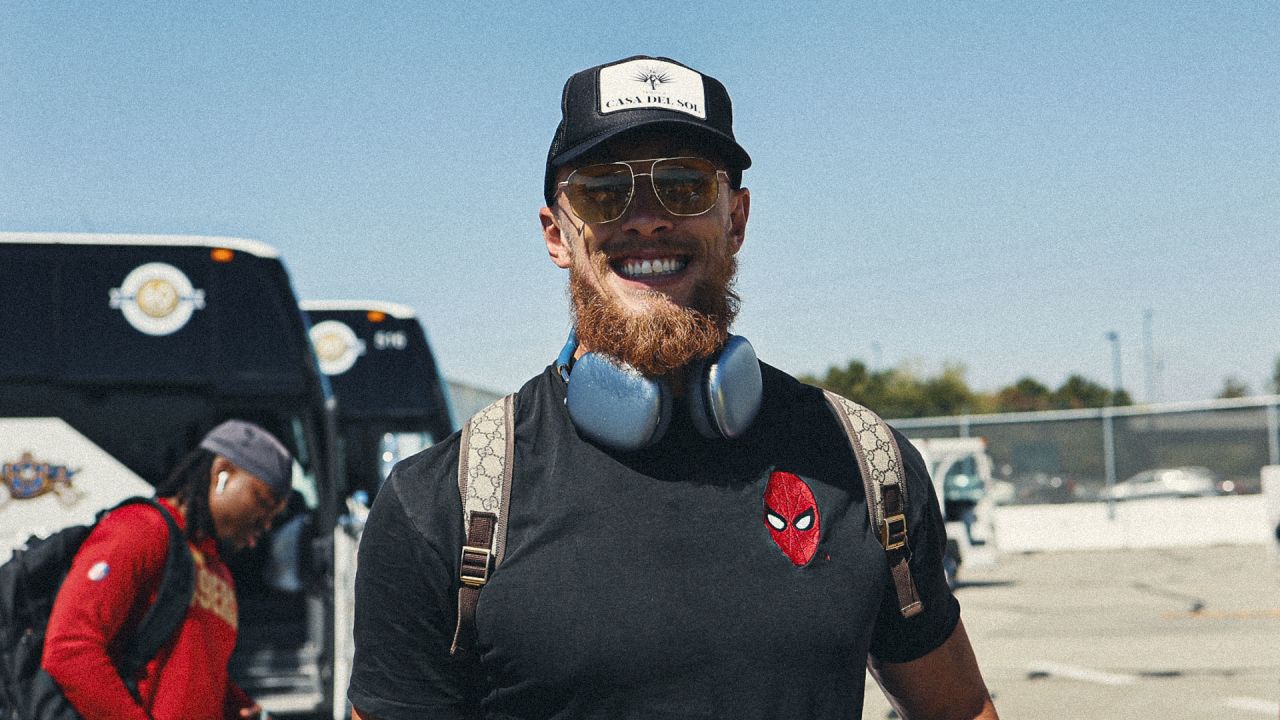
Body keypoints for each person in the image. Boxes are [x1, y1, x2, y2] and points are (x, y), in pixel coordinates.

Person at [349, 55, 999, 719]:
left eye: (684, 186)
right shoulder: (446, 507)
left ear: (736, 220)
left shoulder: (864, 464)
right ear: (557, 234)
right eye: (605, 191)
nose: (648, 219)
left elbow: (961, 708)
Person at [42, 419, 293, 720]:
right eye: (262, 501)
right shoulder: (141, 530)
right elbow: (70, 649)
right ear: (222, 472)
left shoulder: (218, 571)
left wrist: (234, 703)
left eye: (274, 515)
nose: (266, 523)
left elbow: (193, 671)